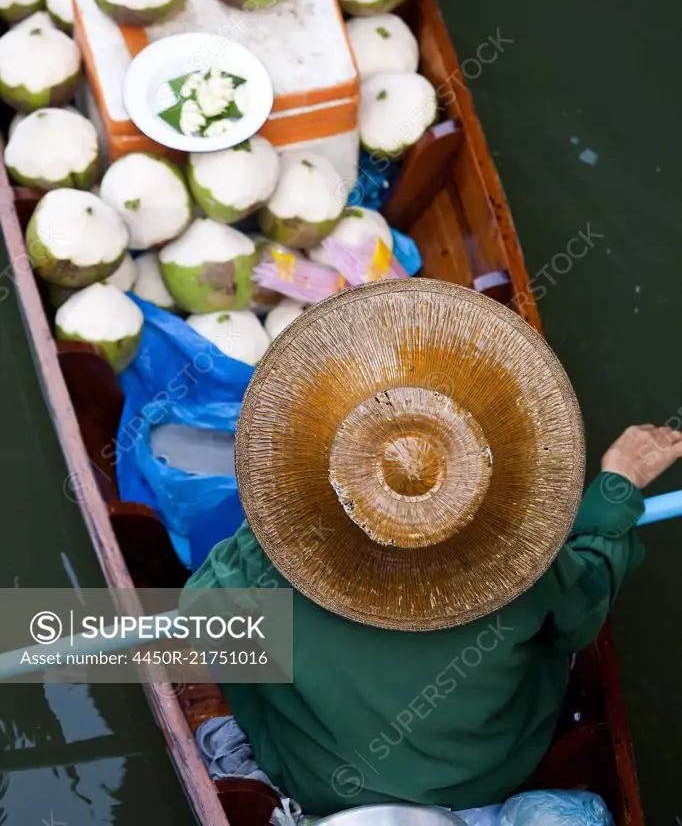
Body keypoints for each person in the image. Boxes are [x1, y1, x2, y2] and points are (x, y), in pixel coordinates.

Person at [183, 280, 682, 818]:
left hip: (320, 785)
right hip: (482, 781)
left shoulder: (264, 562)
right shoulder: (524, 565)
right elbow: (584, 607)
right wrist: (618, 485)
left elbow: (200, 615)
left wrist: (279, 521)